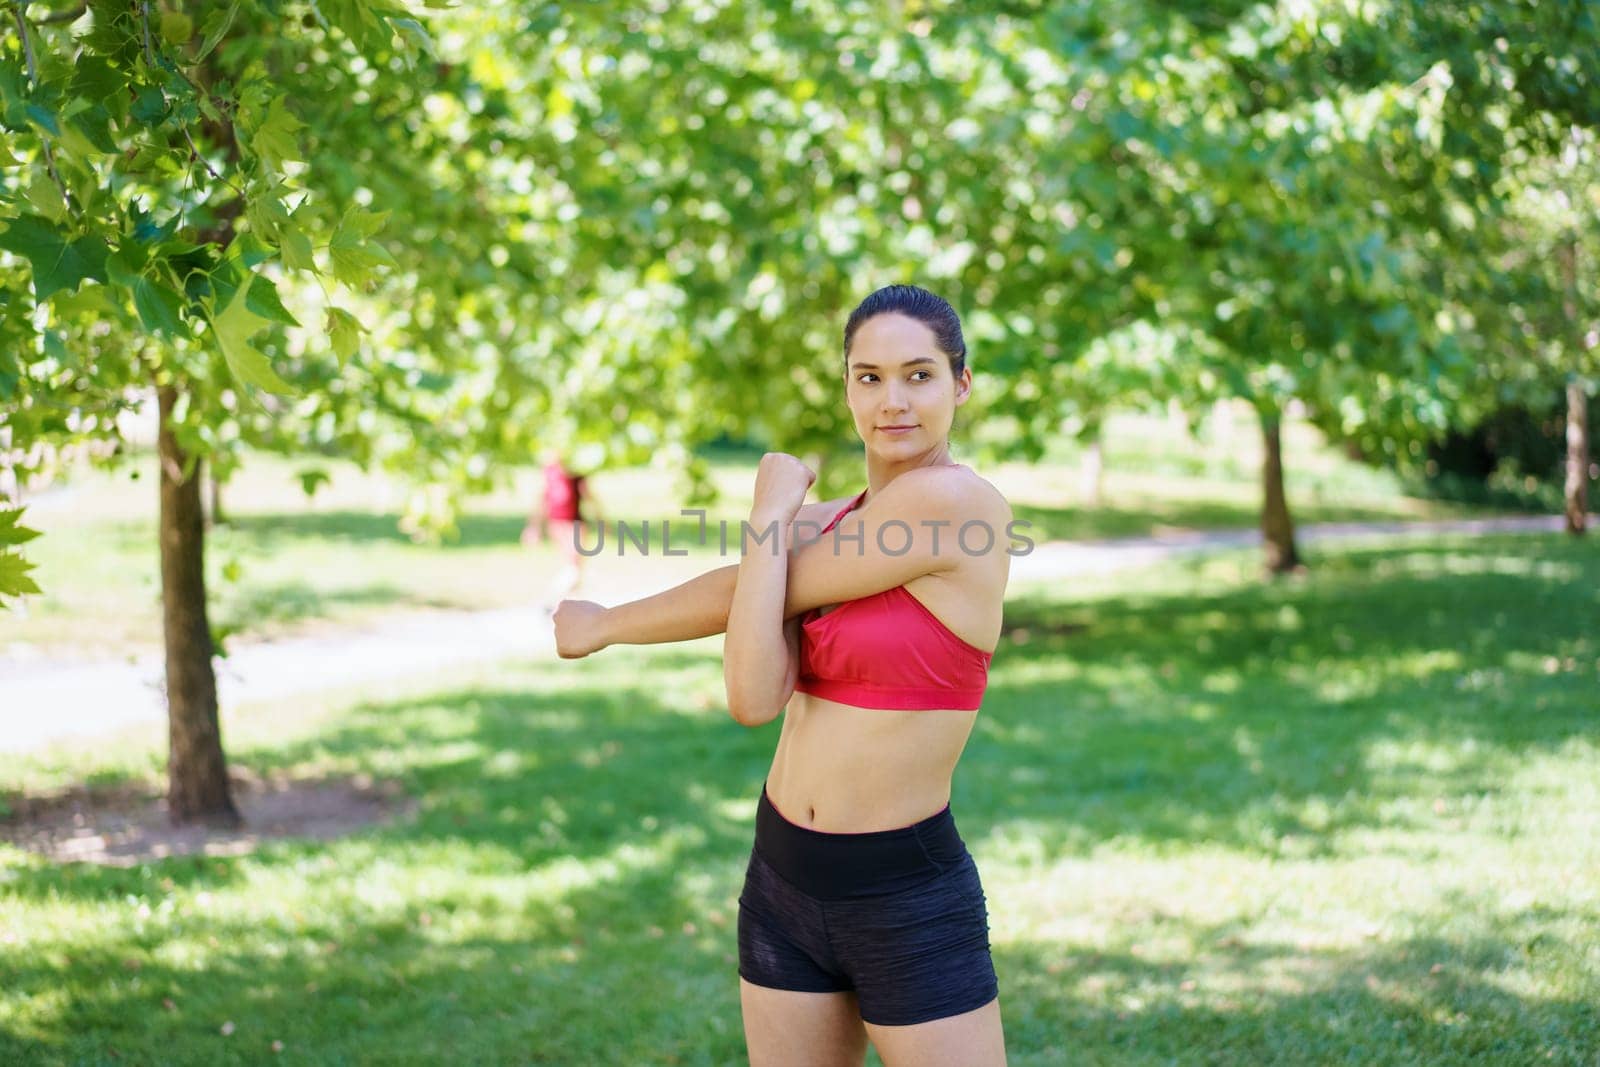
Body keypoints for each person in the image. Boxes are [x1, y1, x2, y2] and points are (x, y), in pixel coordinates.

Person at [553, 285, 1012, 1066]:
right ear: (846, 386)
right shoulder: (822, 521)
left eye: (919, 375)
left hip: (901, 890)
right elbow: (751, 647)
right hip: (783, 879)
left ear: (960, 384)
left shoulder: (956, 504)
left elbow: (757, 636)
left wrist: (766, 515)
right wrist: (601, 624)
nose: (892, 400)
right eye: (868, 377)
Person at [524, 452, 594, 602]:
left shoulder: (575, 477)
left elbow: (590, 498)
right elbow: (542, 501)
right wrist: (533, 527)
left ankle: (573, 601)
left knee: (576, 566)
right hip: (559, 525)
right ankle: (553, 599)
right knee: (573, 567)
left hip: (574, 523)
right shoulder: (551, 475)